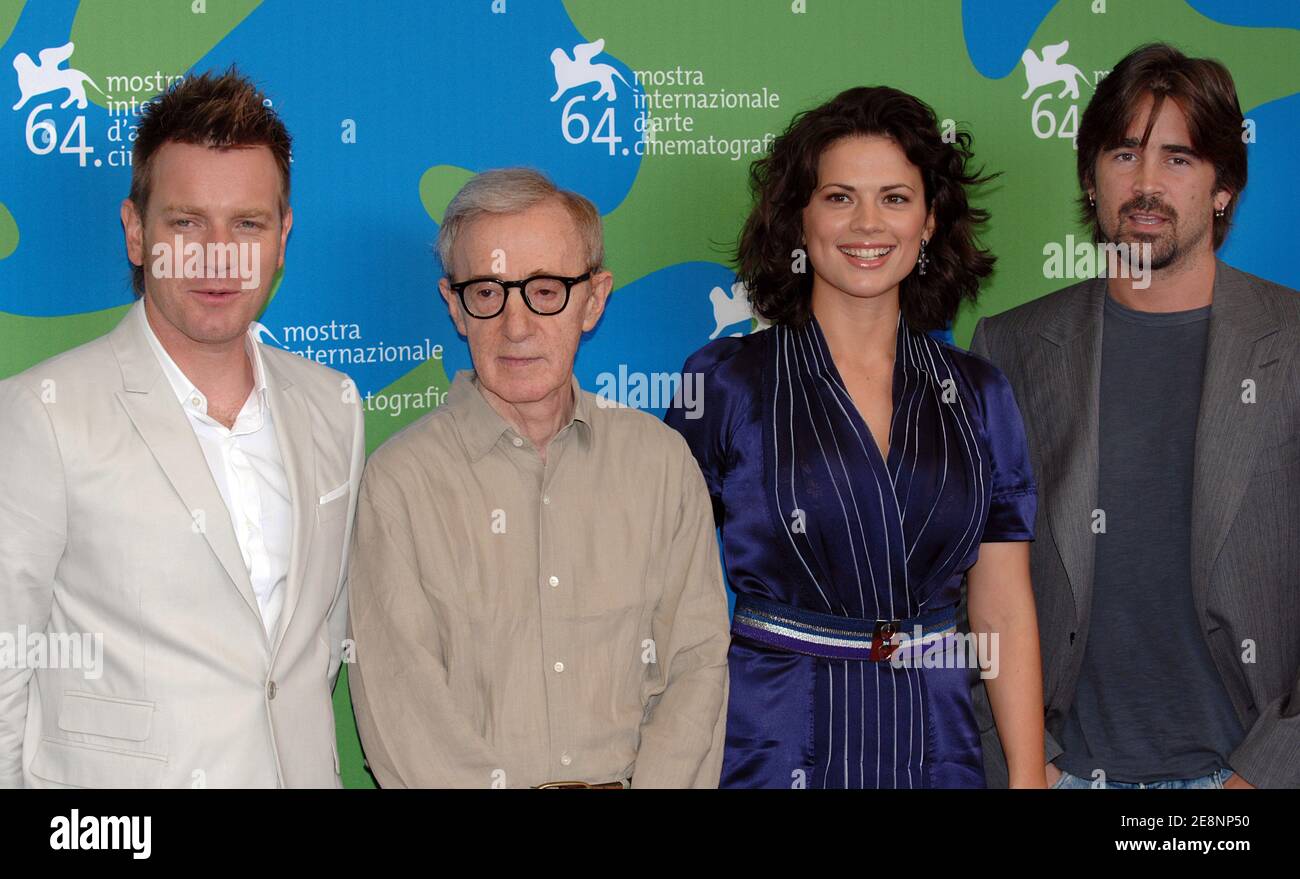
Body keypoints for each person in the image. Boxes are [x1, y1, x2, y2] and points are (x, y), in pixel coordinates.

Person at [666, 86, 1047, 788]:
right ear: (799, 221)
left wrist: (1026, 778)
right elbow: (657, 585)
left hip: (936, 742)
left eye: (896, 198)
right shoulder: (726, 383)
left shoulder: (980, 395)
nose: (868, 223)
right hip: (773, 743)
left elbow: (1002, 608)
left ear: (929, 222)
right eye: (840, 197)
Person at [0, 69, 364, 788]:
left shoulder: (335, 406)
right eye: (186, 221)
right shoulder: (42, 413)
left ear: (282, 237)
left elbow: (316, 648)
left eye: (248, 223)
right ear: (137, 232)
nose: (217, 255)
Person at [971, 43, 1300, 789]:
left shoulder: (1295, 343)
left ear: (1224, 189)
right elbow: (966, 577)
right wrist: (1026, 762)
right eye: (1124, 154)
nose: (1146, 184)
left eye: (1179, 159)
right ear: (1090, 178)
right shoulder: (1012, 345)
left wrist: (1268, 775)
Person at [347, 168, 730, 788]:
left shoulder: (661, 465)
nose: (517, 325)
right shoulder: (399, 485)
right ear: (455, 305)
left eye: (546, 290)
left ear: (594, 299)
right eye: (488, 293)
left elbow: (697, 666)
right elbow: (404, 712)